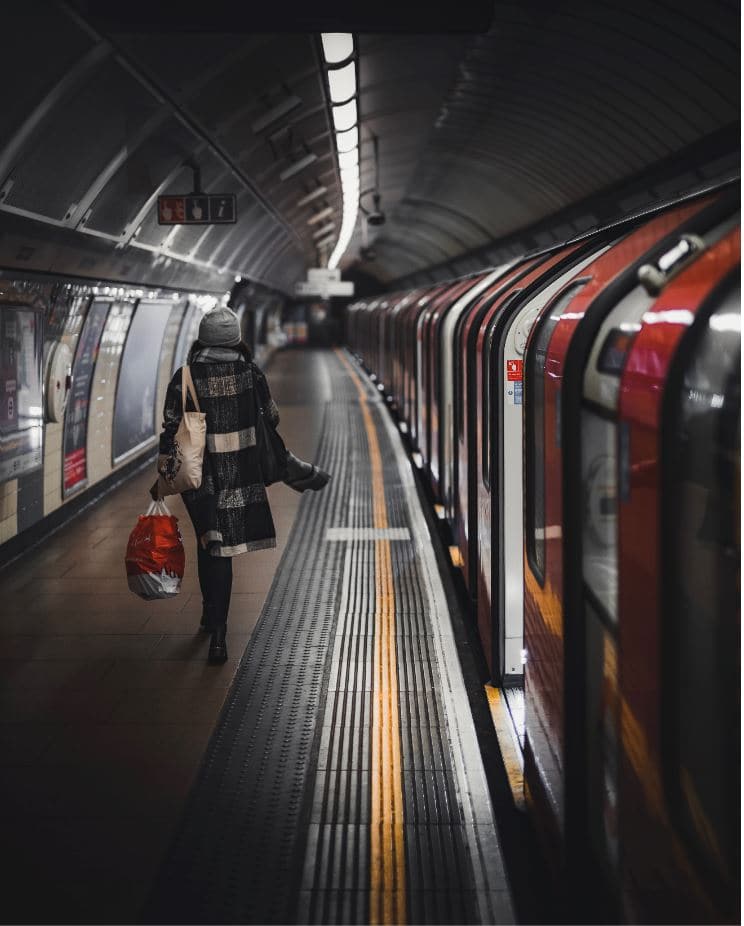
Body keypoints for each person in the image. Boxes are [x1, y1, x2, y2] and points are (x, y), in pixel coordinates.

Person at [151, 306, 330, 664]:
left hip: (199, 479)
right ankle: (218, 635)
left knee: (209, 543)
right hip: (240, 475)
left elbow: (170, 427)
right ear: (236, 339)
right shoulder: (250, 373)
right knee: (224, 549)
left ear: (202, 338)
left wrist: (165, 474)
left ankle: (210, 617)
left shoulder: (185, 376)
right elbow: (273, 417)